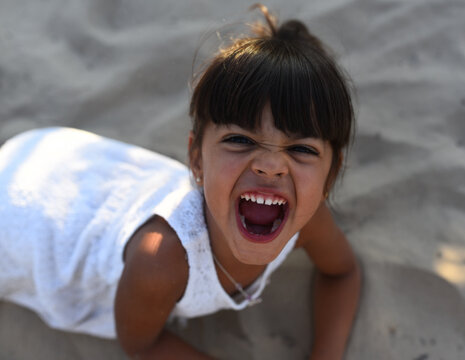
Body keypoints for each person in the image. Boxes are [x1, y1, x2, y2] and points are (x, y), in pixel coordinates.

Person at [0, 4, 361, 359]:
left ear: (331, 173)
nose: (270, 166)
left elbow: (343, 273)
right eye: (240, 140)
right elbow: (141, 345)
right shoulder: (160, 260)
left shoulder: (310, 220)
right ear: (196, 159)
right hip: (19, 208)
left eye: (301, 148)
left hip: (73, 166)